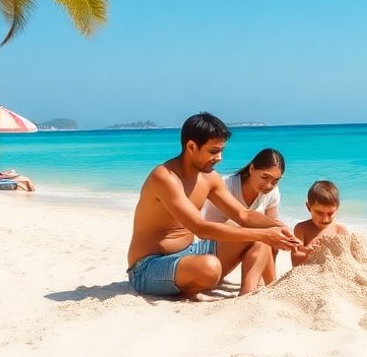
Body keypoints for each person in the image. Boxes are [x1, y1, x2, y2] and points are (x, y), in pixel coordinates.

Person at [126, 113, 300, 299]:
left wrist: (278, 228)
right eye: (213, 151)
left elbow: (243, 215)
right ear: (192, 146)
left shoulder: (210, 178)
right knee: (211, 267)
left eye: (221, 151)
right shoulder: (164, 177)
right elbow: (199, 228)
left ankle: (247, 297)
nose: (219, 158)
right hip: (149, 266)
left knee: (259, 238)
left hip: (190, 252)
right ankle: (192, 284)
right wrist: (263, 233)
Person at [204, 148, 285, 283]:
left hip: (247, 246)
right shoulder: (226, 186)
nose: (269, 185)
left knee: (271, 237)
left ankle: (265, 286)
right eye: (265, 177)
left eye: (276, 180)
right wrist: (254, 230)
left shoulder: (272, 192)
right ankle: (270, 284)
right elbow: (210, 230)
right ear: (252, 168)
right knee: (263, 234)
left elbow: (273, 232)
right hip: (211, 256)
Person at [291, 180, 348, 266]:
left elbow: (347, 258)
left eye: (330, 213)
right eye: (319, 213)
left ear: (337, 207)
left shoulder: (340, 230)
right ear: (308, 207)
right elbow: (295, 258)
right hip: (309, 275)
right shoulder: (301, 229)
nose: (325, 219)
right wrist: (307, 253)